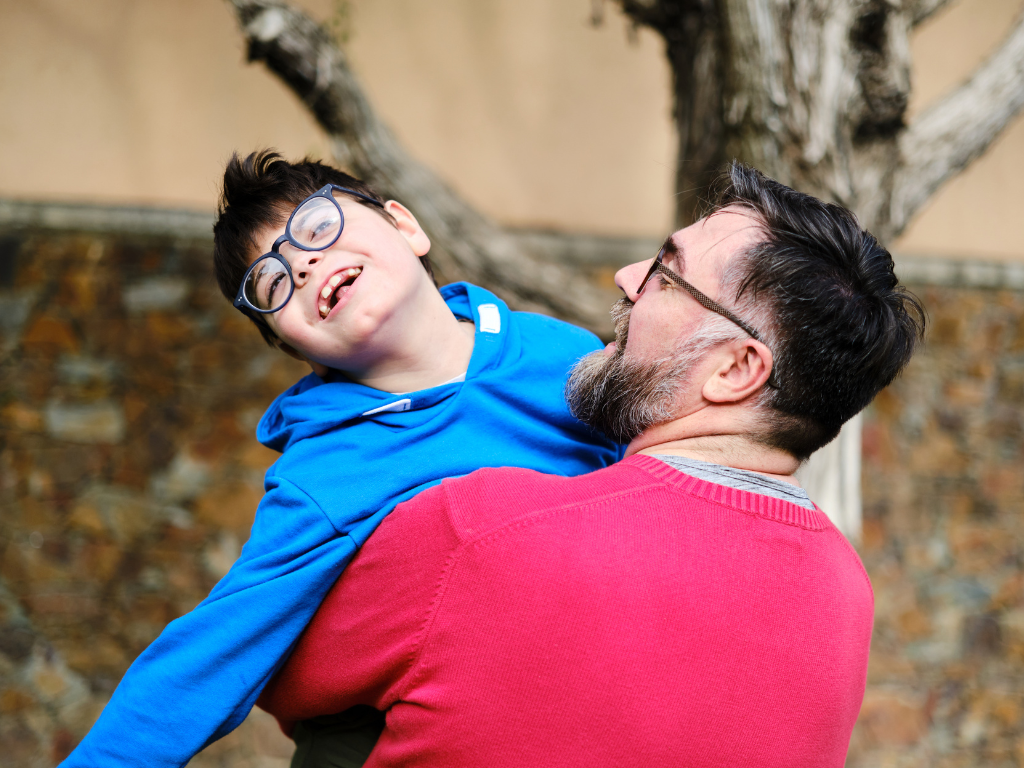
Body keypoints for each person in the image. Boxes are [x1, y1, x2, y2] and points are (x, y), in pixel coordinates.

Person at [258, 163, 926, 768]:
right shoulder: (848, 596)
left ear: (734, 370)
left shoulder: (477, 530)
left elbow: (280, 675)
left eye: (666, 273)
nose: (627, 277)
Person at [59, 151, 621, 767]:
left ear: (406, 227)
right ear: (296, 348)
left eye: (318, 226)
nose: (301, 265)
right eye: (272, 284)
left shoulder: (557, 353)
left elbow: (656, 480)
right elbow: (214, 647)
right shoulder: (326, 473)